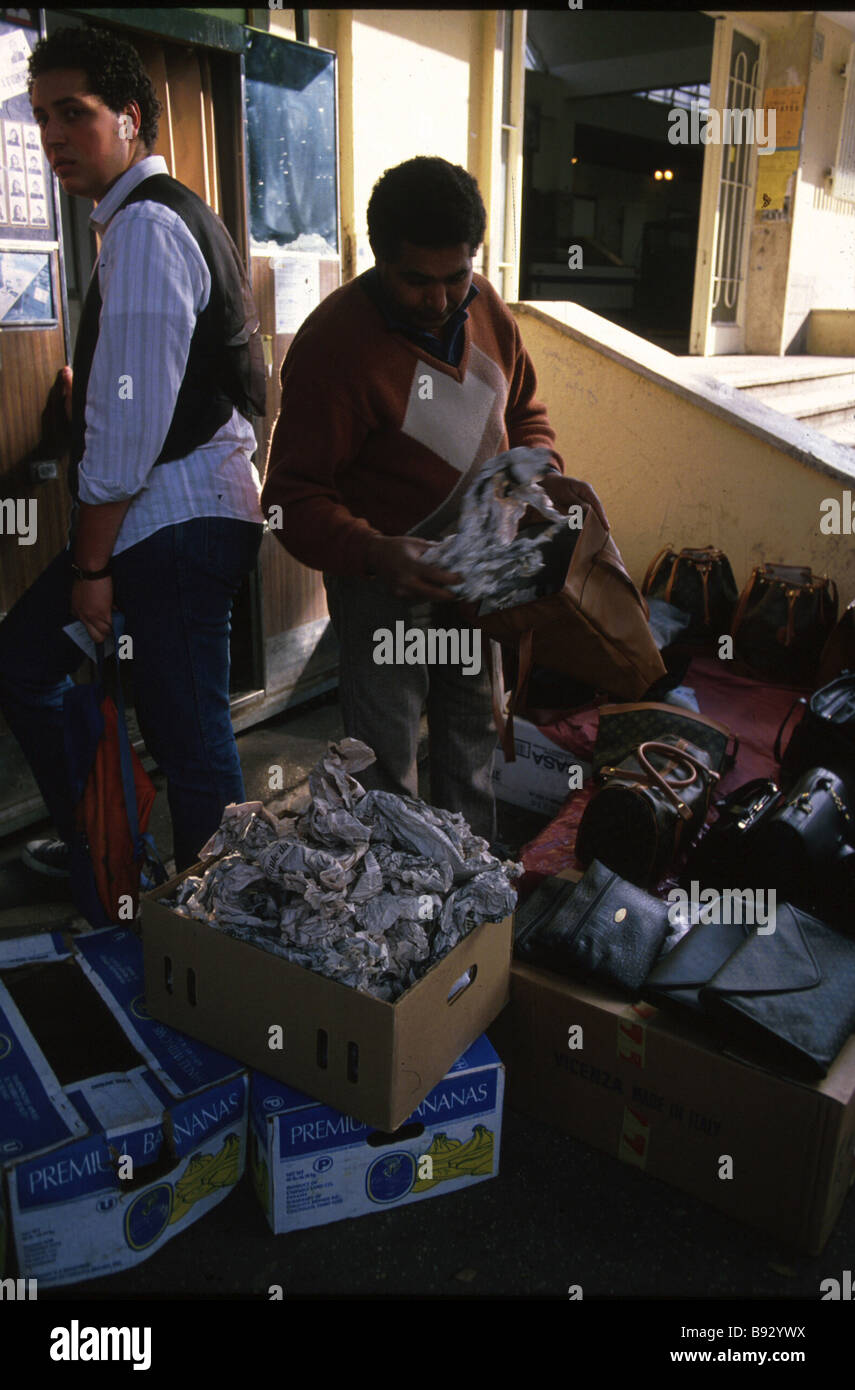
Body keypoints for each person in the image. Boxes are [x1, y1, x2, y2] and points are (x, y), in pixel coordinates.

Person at [261, 156, 603, 842]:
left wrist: (525, 479)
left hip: (480, 580)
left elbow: (529, 414)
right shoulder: (334, 347)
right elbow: (290, 499)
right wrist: (373, 551)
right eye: (417, 281)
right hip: (383, 588)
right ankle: (398, 907)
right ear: (379, 258)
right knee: (384, 766)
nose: (442, 300)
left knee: (474, 741)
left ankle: (468, 895)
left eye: (457, 277)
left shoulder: (488, 312)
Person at [0, 26, 265, 877]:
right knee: (53, 676)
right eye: (41, 118)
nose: (53, 139)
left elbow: (132, 425)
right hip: (187, 509)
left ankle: (209, 925)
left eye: (74, 114)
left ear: (132, 116)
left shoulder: (148, 227)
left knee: (188, 736)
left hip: (174, 517)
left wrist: (90, 567)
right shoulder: (156, 219)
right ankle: (109, 850)